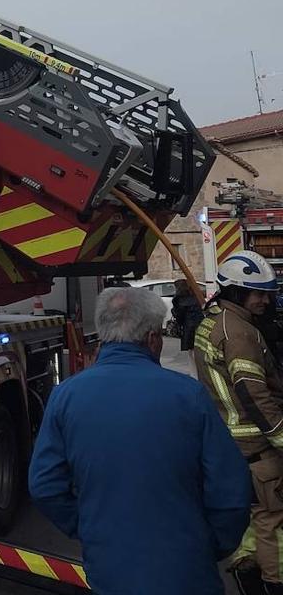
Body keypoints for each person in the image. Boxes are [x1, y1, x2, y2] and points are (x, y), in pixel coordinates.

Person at [30, 285, 251, 595]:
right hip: (187, 569)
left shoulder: (65, 396)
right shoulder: (189, 395)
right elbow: (231, 488)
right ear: (152, 339)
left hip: (109, 567)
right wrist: (212, 543)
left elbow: (45, 485)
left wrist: (88, 528)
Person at [194, 250, 283, 595]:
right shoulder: (241, 332)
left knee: (256, 516)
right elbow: (254, 396)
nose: (265, 300)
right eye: (258, 293)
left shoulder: (213, 320)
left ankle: (247, 572)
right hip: (258, 447)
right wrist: (280, 438)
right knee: (274, 522)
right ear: (235, 292)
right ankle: (275, 584)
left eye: (267, 293)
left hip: (232, 443)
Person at [174, 277, 206, 351]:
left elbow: (180, 316)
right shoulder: (196, 295)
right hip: (200, 324)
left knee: (189, 349)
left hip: (188, 326)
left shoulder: (179, 299)